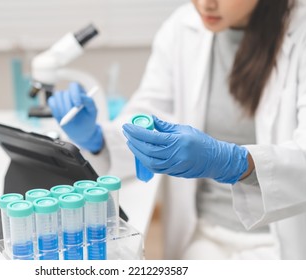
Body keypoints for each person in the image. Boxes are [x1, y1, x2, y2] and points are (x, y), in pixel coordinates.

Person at [47, 0, 306, 259]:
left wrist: (238, 164)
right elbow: (150, 115)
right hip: (203, 231)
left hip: (283, 238)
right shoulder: (182, 27)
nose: (206, 4)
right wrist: (98, 139)